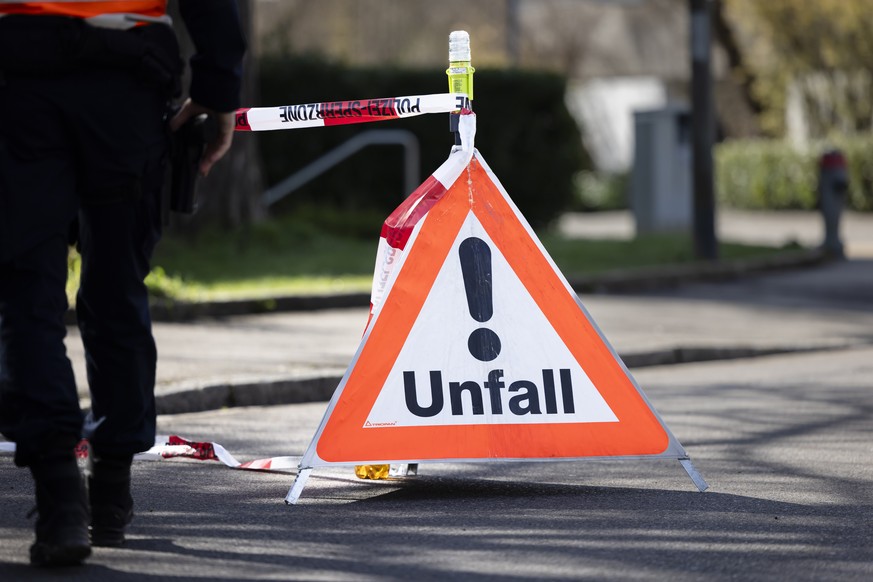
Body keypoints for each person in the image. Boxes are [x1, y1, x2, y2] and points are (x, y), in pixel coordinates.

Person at [0, 0, 246, 568]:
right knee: (117, 289)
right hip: (127, 80)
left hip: (23, 78)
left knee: (27, 293)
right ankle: (110, 490)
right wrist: (218, 87)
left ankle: (60, 494)